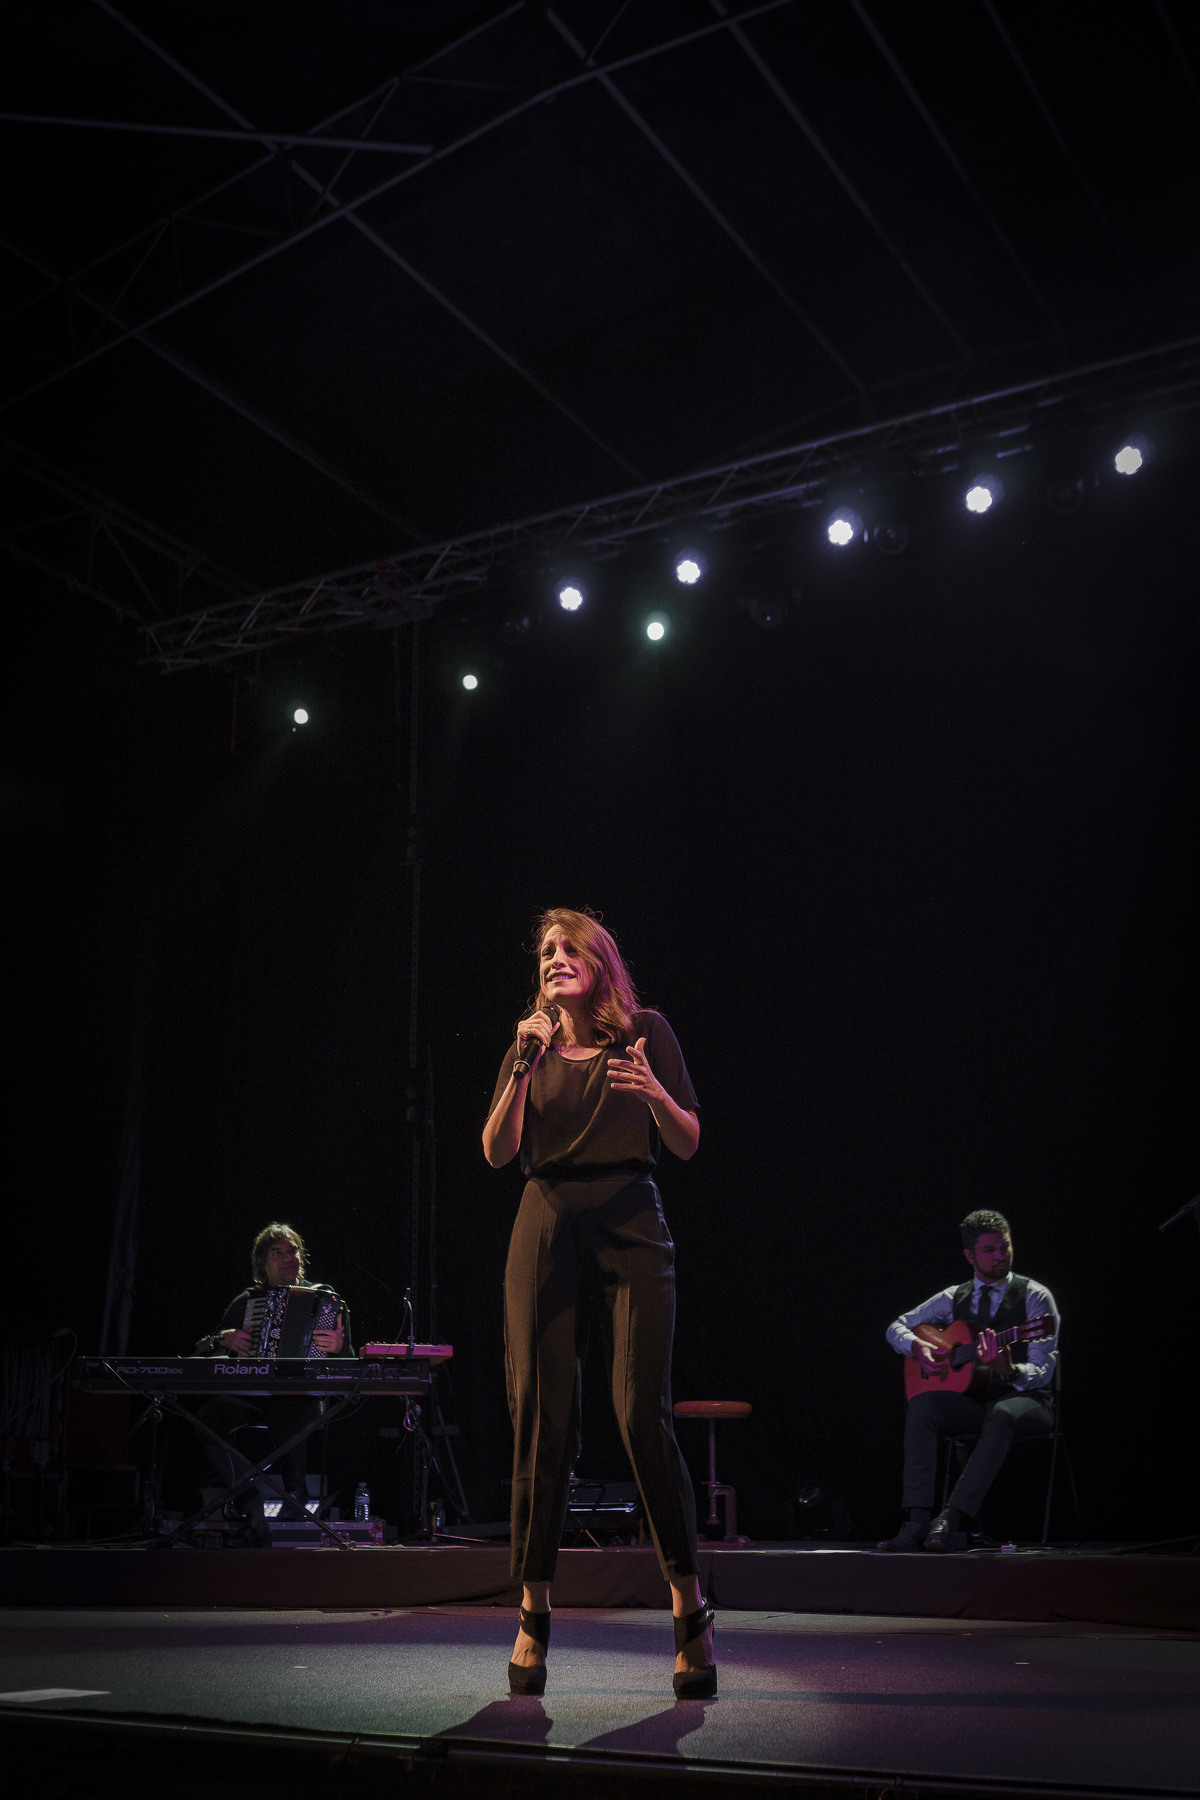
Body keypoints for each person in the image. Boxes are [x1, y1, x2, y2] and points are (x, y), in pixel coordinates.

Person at [483, 907, 714, 1698]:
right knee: (540, 1417)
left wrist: (653, 1093)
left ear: (599, 961)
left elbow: (686, 1141)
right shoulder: (529, 1046)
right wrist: (523, 1064)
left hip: (630, 1216)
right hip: (545, 1217)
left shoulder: (646, 1033)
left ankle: (690, 1608)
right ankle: (532, 1613)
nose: (554, 958)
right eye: (545, 950)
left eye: (569, 947)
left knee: (640, 1411)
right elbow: (497, 1151)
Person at [877, 1209, 1058, 1552]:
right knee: (923, 1405)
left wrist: (1008, 1369)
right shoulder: (952, 1297)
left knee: (1002, 1414)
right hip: (977, 1399)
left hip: (1029, 1399)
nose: (1000, 1255)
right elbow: (896, 1326)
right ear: (969, 1255)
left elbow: (1043, 1370)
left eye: (1005, 1247)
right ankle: (917, 1520)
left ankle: (950, 1518)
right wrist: (916, 1346)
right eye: (989, 1250)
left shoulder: (1035, 1296)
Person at [197, 1222, 351, 1523]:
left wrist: (337, 1346)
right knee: (207, 1419)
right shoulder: (248, 1300)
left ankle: (296, 1499)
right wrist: (226, 1338)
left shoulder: (324, 1297)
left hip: (304, 1395)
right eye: (276, 1252)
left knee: (287, 1412)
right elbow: (204, 1347)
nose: (287, 1258)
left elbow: (346, 1357)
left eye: (292, 1251)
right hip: (256, 1394)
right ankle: (246, 1498)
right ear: (262, 1262)